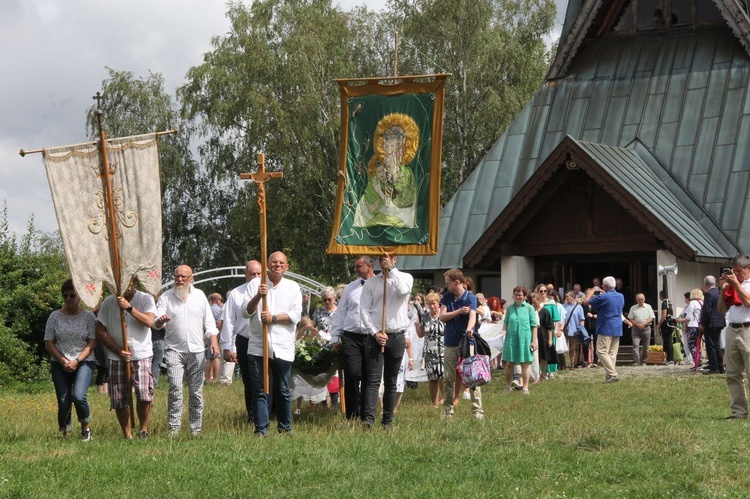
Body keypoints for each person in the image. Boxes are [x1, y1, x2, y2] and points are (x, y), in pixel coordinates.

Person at [154, 265, 220, 438]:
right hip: (174, 349)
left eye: (184, 277)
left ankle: (195, 429)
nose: (180, 280)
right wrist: (160, 320)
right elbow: (156, 320)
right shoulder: (166, 297)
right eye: (177, 276)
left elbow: (210, 323)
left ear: (192, 278)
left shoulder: (199, 297)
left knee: (196, 391)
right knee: (175, 388)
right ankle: (174, 428)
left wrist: (213, 341)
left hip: (197, 350)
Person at [242, 251, 302, 436]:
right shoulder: (255, 284)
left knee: (283, 389)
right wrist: (258, 297)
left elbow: (295, 315)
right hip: (259, 344)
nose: (276, 265)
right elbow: (245, 312)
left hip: (282, 346)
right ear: (267, 264)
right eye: (273, 262)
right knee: (259, 389)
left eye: (280, 263)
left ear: (286, 267)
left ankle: (285, 428)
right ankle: (261, 429)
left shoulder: (293, 287)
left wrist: (273, 318)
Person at [95, 281, 156, 439]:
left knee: (144, 393)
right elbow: (100, 331)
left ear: (133, 282)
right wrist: (118, 350)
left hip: (141, 353)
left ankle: (143, 430)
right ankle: (127, 434)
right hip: (117, 356)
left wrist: (129, 307)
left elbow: (150, 322)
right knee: (119, 396)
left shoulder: (145, 298)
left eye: (128, 282)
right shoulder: (109, 302)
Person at [360, 253, 413, 429]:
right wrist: (375, 332)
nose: (384, 261)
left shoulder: (405, 278)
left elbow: (403, 291)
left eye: (388, 258)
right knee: (373, 379)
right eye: (381, 259)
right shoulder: (371, 283)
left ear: (395, 259)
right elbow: (364, 310)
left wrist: (391, 270)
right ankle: (368, 419)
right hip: (376, 336)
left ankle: (387, 421)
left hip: (396, 335)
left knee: (391, 380)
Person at [44, 279, 97, 441]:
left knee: (79, 396)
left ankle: (85, 429)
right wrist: (63, 361)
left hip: (84, 361)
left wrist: (77, 361)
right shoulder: (55, 316)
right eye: (65, 295)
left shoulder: (88, 316)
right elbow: (48, 342)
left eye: (72, 295)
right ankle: (65, 432)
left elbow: (92, 342)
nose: (68, 298)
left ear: (79, 296)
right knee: (63, 400)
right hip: (60, 362)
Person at [353, 114, 419, 228]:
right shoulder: (377, 173)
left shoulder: (407, 174)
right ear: (383, 142)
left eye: (399, 137)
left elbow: (407, 204)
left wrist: (382, 195)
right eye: (390, 137)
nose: (393, 145)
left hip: (401, 224)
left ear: (404, 141)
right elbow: (367, 205)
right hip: (375, 226)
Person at [330, 256, 375, 421]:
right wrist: (335, 337)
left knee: (369, 376)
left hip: (372, 336)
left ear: (369, 266)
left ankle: (366, 413)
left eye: (358, 266)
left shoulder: (380, 285)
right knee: (352, 374)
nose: (355, 269)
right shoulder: (351, 288)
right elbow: (340, 312)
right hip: (351, 337)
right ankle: (352, 413)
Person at [221, 260, 263, 424]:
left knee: (267, 379)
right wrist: (227, 347)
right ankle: (253, 416)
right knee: (249, 380)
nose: (256, 277)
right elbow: (229, 322)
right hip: (244, 340)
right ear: (246, 274)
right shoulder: (236, 294)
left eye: (259, 274)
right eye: (253, 273)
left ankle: (269, 412)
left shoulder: (270, 291)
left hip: (264, 340)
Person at [439, 268, 482, 419]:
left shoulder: (471, 298)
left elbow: (472, 316)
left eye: (448, 283)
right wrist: (457, 312)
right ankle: (448, 410)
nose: (447, 286)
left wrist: (470, 328)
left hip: (467, 343)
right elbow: (442, 317)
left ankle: (477, 411)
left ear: (456, 282)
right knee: (449, 378)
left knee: (472, 377)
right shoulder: (446, 297)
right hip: (450, 343)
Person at [718, 255, 750, 419]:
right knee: (733, 373)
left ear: (748, 268)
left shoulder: (746, 285)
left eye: (739, 270)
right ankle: (739, 412)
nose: (736, 274)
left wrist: (736, 284)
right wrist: (723, 290)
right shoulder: (733, 285)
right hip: (732, 329)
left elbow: (748, 302)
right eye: (734, 271)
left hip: (748, 330)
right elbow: (722, 309)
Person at [585, 276, 625, 383]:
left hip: (606, 326)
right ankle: (609, 375)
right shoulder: (620, 296)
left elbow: (586, 301)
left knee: (601, 351)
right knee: (612, 353)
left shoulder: (604, 297)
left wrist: (593, 290)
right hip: (617, 326)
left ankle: (613, 374)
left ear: (605, 286)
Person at [502, 286, 538, 395]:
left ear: (524, 296)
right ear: (513, 296)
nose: (518, 297)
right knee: (509, 363)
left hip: (525, 339)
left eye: (520, 295)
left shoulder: (529, 308)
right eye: (516, 295)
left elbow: (534, 325)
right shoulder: (509, 308)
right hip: (511, 339)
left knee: (525, 363)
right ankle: (508, 386)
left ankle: (525, 388)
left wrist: (534, 340)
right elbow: (506, 322)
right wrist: (503, 331)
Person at [414, 292, 445, 408]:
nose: (432, 306)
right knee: (432, 378)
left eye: (434, 303)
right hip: (429, 351)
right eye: (429, 304)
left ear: (438, 303)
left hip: (443, 350)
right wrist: (417, 325)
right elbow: (421, 334)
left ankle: (445, 400)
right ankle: (434, 404)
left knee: (443, 376)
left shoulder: (443, 315)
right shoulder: (425, 317)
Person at [700, 275, 726, 375]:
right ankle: (720, 366)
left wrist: (702, 323)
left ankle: (714, 367)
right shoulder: (719, 293)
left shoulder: (708, 294)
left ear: (706, 284)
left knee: (711, 345)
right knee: (717, 345)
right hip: (719, 321)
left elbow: (706, 311)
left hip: (710, 323)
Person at [677, 289, 704, 368]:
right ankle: (699, 360)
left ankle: (696, 361)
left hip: (692, 325)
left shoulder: (692, 303)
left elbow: (688, 317)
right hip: (699, 326)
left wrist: (684, 325)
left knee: (691, 344)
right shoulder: (701, 303)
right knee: (698, 344)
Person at [626, 293, 655, 366]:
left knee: (646, 346)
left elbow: (651, 318)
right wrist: (638, 325)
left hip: (646, 328)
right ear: (636, 300)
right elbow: (630, 318)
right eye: (639, 299)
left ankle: (644, 361)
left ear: (644, 299)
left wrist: (644, 324)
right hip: (636, 329)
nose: (640, 301)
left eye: (642, 299)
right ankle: (636, 361)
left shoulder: (648, 307)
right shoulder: (633, 307)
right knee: (635, 345)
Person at [205, 292, 223, 383]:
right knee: (216, 356)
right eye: (220, 300)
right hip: (215, 334)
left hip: (206, 334)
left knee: (209, 356)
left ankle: (208, 378)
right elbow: (219, 322)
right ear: (217, 300)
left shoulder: (207, 308)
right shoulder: (218, 310)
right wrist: (220, 333)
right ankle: (215, 378)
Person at [656, 290, 675, 365]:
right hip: (670, 322)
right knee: (669, 341)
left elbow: (664, 315)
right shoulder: (669, 302)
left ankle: (669, 359)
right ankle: (670, 358)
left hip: (665, 323)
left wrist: (659, 324)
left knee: (667, 341)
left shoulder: (664, 303)